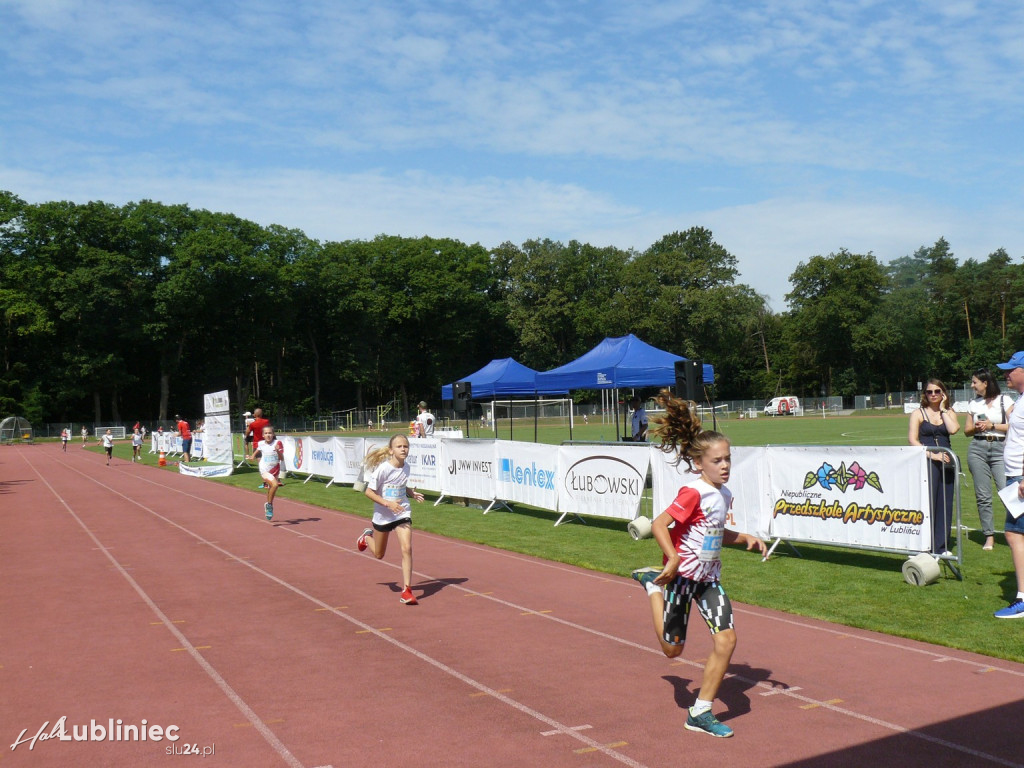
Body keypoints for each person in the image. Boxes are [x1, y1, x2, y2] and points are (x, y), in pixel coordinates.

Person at [630, 388, 767, 738]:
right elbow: (660, 524)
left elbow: (714, 533)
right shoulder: (692, 492)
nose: (725, 466)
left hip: (708, 581)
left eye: (728, 459)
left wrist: (745, 538)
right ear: (698, 464)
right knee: (672, 651)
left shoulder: (723, 494)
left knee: (727, 641)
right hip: (681, 579)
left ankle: (701, 712)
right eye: (717, 461)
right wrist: (673, 557)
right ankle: (652, 587)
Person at [356, 434, 425, 605]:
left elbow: (401, 483)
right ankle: (366, 537)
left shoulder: (406, 467)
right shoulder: (383, 469)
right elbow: (368, 492)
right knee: (379, 554)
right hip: (383, 514)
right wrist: (388, 504)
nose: (403, 449)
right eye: (399, 446)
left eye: (406, 446)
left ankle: (407, 590)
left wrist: (411, 493)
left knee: (407, 548)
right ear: (391, 450)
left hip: (402, 512)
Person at [908, 379, 960, 555]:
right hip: (928, 461)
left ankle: (941, 546)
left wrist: (944, 409)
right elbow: (912, 440)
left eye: (937, 391)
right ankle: (923, 545)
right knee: (927, 503)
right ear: (925, 394)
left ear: (943, 393)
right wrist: (933, 455)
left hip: (947, 462)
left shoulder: (949, 412)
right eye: (929, 392)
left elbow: (953, 430)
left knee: (945, 504)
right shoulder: (918, 413)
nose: (933, 395)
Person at [965, 368, 1013, 551]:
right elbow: (967, 431)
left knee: (1007, 492)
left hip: (1001, 449)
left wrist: (992, 425)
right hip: (978, 449)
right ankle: (989, 536)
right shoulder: (974, 404)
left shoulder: (1005, 400)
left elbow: (1013, 426)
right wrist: (977, 428)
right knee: (983, 496)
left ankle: (1017, 533)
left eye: (975, 382)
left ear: (986, 383)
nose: (972, 385)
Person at [994, 353, 1024, 618]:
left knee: (1014, 534)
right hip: (1016, 476)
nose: (1006, 375)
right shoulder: (1021, 401)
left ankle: (1022, 598)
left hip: (1020, 478)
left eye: (1010, 370)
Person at [249, 425, 284, 521]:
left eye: (270, 433)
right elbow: (258, 450)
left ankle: (269, 504)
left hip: (275, 469)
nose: (268, 435)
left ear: (273, 434)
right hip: (264, 469)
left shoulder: (278, 443)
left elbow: (282, 458)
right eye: (266, 433)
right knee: (275, 485)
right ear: (263, 435)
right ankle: (269, 506)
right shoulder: (261, 443)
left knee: (271, 488)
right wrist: (252, 456)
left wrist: (277, 451)